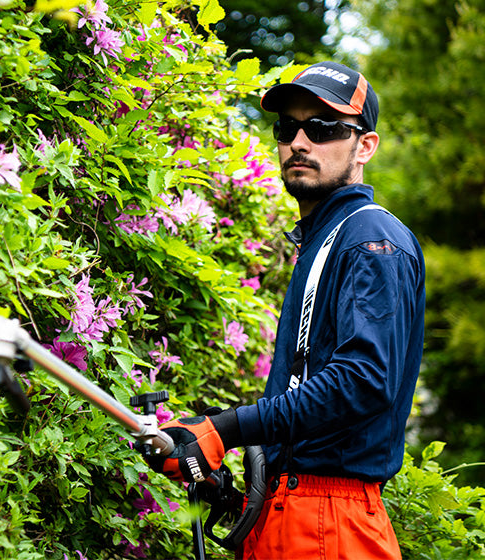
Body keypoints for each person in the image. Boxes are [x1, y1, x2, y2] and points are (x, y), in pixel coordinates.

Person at [145, 61, 426, 559]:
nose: (300, 141)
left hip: (328, 523)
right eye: (288, 127)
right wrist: (224, 461)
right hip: (293, 513)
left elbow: (364, 381)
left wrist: (226, 429)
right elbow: (308, 398)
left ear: (366, 146)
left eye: (321, 128)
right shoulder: (326, 241)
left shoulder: (369, 239)